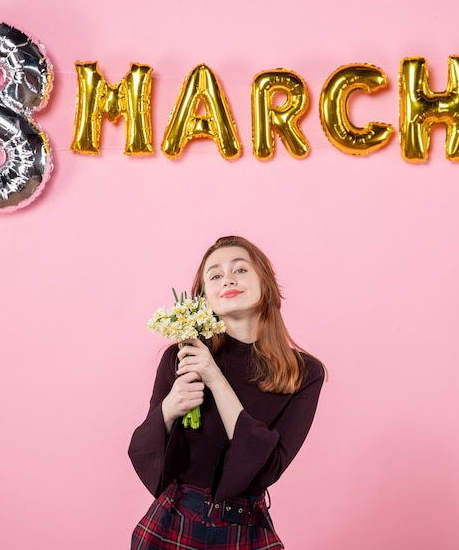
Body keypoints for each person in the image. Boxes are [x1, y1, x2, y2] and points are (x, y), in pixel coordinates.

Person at [128, 235, 325, 549]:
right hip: (173, 525)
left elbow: (267, 468)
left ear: (267, 284)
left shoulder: (304, 373)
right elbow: (146, 454)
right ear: (205, 297)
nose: (228, 279)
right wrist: (170, 409)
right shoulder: (182, 356)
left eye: (241, 270)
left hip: (245, 529)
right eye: (215, 275)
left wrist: (215, 379)